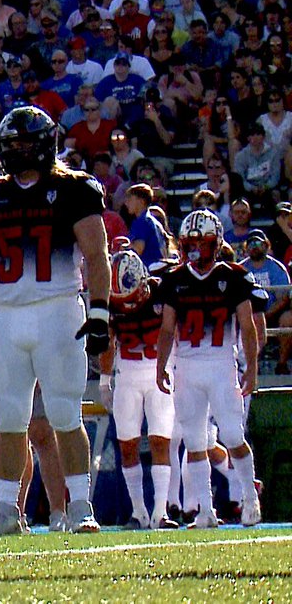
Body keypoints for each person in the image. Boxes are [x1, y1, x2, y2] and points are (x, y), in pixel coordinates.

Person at [0, 105, 110, 536]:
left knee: (64, 413)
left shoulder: (75, 189)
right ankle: (5, 511)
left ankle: (80, 508)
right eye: (11, 144)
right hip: (6, 315)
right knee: (11, 419)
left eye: (24, 143)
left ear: (44, 144)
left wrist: (100, 310)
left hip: (57, 309)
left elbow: (96, 255)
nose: (18, 151)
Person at [155, 210, 263, 528]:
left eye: (202, 242)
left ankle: (250, 499)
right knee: (194, 440)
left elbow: (247, 324)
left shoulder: (233, 276)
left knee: (231, 434)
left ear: (215, 243)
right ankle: (205, 510)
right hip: (186, 367)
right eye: (191, 242)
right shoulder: (175, 280)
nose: (196, 248)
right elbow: (166, 328)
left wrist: (252, 365)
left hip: (220, 365)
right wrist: (162, 366)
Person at [99, 250, 179, 530]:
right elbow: (108, 343)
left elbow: (174, 332)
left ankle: (160, 512)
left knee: (160, 441)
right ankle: (138, 512)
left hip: (160, 370)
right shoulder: (111, 302)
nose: (129, 306)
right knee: (128, 445)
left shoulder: (162, 291)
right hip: (128, 374)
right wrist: (104, 380)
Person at [240, 229, 292, 374]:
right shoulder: (240, 269)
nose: (254, 246)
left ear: (266, 245)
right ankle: (248, 367)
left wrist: (266, 314)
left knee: (288, 320)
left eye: (258, 243)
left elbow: (284, 298)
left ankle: (281, 365)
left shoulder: (276, 268)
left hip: (273, 314)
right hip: (248, 315)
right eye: (250, 244)